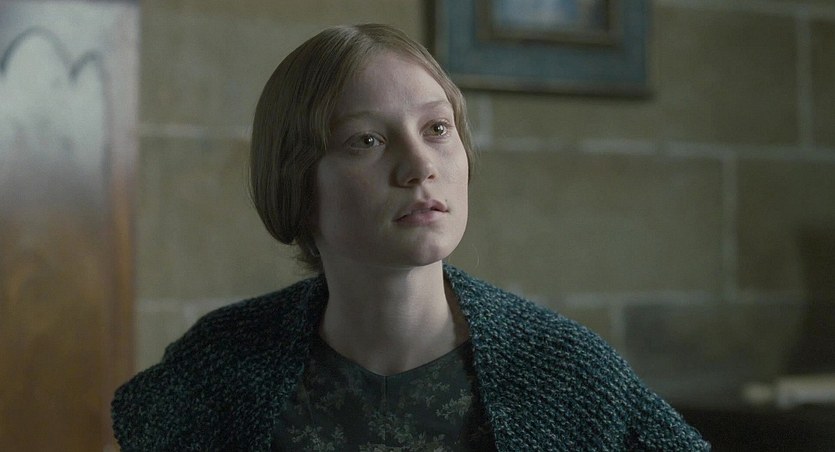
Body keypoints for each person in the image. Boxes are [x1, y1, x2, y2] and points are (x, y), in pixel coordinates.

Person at [111, 24, 710, 451]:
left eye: (437, 129)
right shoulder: (219, 365)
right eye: (366, 140)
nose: (420, 166)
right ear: (296, 179)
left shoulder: (564, 372)